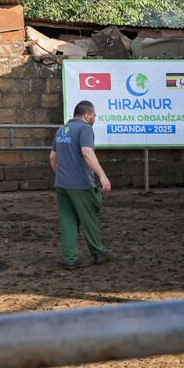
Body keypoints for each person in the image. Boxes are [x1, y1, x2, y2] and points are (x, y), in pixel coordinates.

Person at [49, 100, 112, 269]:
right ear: (86, 115)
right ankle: (98, 252)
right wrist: (102, 176)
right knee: (89, 216)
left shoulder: (61, 130)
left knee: (68, 221)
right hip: (81, 183)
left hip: (62, 184)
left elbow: (52, 157)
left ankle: (70, 258)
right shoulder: (85, 129)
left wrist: (61, 174)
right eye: (94, 115)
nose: (94, 118)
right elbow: (87, 153)